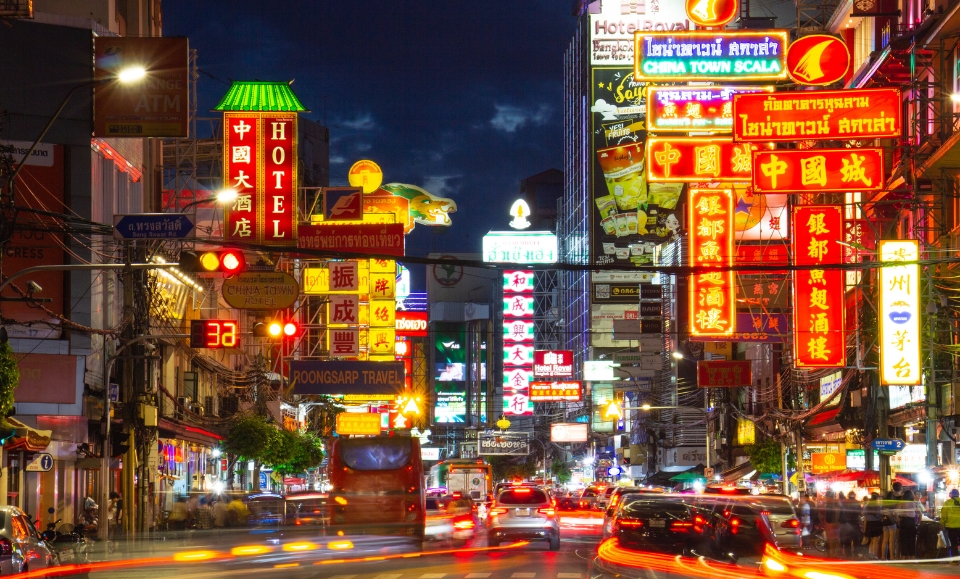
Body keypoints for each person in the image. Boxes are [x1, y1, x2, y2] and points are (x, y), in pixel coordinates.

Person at [898, 490, 921, 560]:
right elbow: (920, 514)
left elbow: (895, 513)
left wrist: (898, 520)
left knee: (903, 540)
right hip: (911, 522)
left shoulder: (901, 503)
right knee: (911, 540)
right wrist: (918, 523)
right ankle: (912, 557)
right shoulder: (914, 503)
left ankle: (903, 557)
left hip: (903, 521)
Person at [940, 488, 960, 564]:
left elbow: (944, 515)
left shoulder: (948, 503)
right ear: (958, 494)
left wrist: (942, 523)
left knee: (954, 544)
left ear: (951, 494)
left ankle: (955, 560)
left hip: (951, 527)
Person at [863, 492, 884, 559]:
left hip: (869, 524)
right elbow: (881, 515)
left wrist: (864, 527)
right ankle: (874, 555)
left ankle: (870, 554)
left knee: (871, 541)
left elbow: (864, 515)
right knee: (875, 541)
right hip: (876, 523)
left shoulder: (867, 506)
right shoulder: (878, 507)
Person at [881, 490, 899, 560]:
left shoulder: (884, 504)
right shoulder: (892, 504)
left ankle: (883, 556)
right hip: (891, 523)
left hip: (885, 522)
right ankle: (891, 556)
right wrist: (895, 520)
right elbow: (893, 514)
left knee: (885, 540)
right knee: (892, 541)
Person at [822, 490, 840, 557]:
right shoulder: (835, 503)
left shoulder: (830, 504)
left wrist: (835, 522)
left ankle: (832, 554)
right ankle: (834, 554)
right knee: (835, 539)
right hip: (834, 523)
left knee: (831, 540)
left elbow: (836, 513)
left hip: (830, 524)